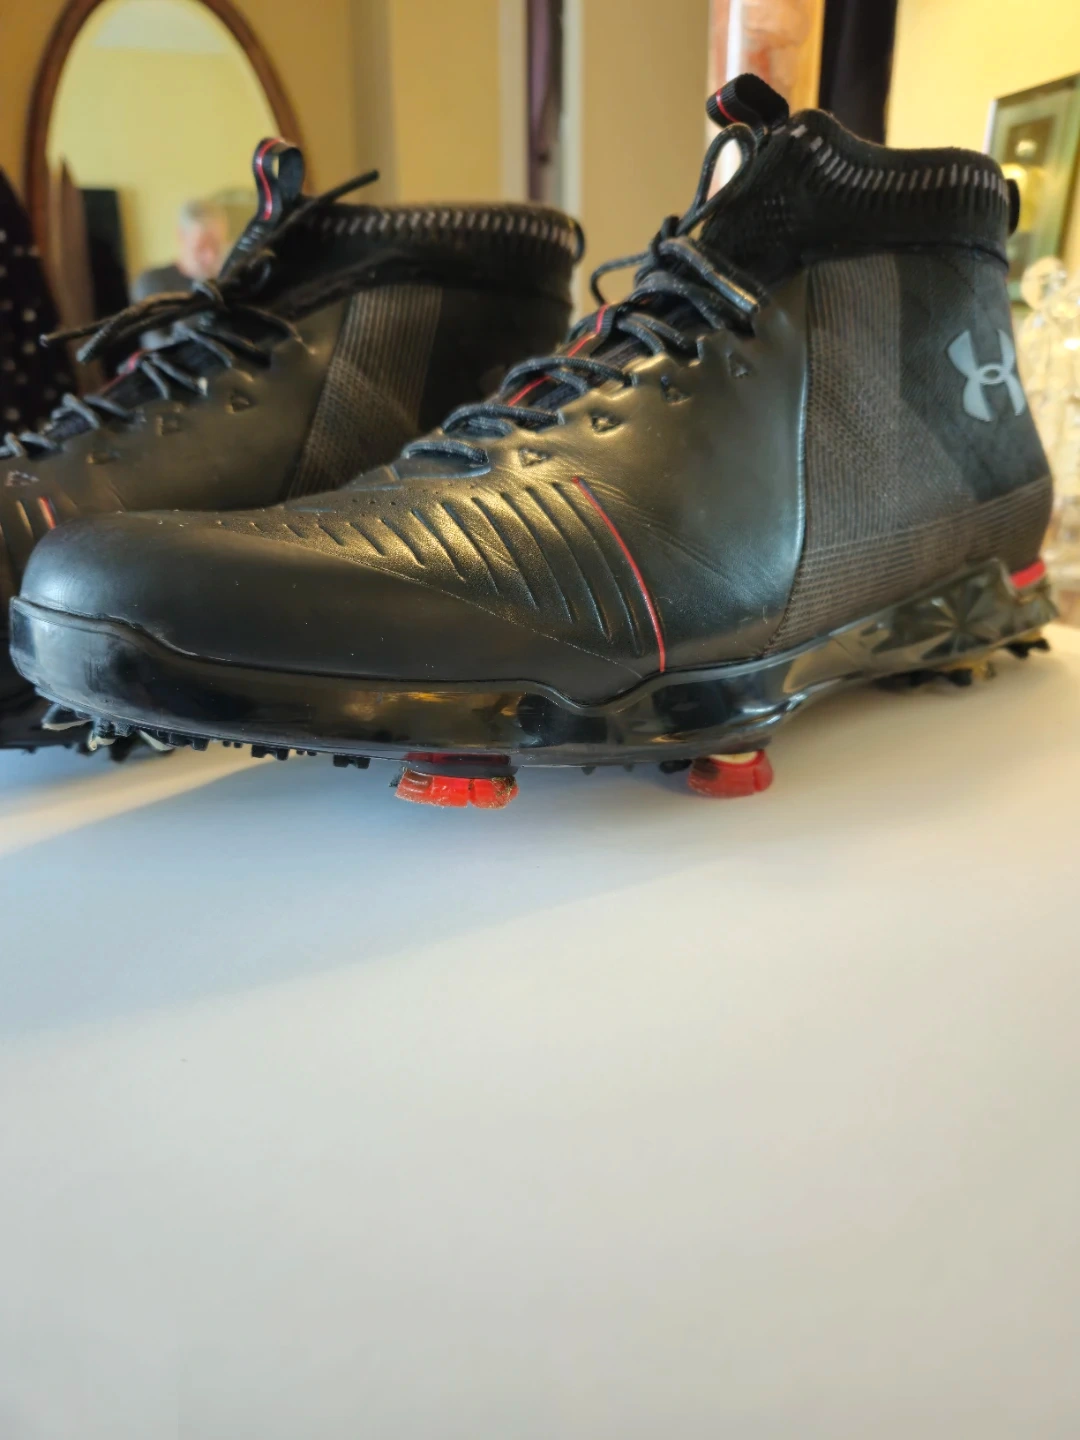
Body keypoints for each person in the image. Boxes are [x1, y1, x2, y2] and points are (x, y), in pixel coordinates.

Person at [132, 198, 228, 343]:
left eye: (216, 246)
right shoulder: (152, 281)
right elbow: (155, 344)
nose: (210, 256)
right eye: (201, 246)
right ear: (181, 236)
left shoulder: (226, 284)